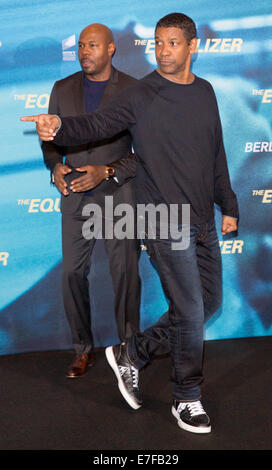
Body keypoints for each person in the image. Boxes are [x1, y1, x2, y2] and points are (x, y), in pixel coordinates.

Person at [21, 13, 238, 433]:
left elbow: (216, 152)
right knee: (190, 311)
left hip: (202, 221)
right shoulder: (142, 93)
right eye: (158, 42)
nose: (163, 49)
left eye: (173, 42)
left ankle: (132, 351)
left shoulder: (206, 92)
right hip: (162, 218)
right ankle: (187, 397)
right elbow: (97, 124)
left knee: (209, 304)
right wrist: (60, 126)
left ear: (193, 46)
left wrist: (227, 205)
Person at [40, 23, 141, 378]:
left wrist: (108, 170)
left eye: (93, 45)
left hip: (118, 196)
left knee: (126, 273)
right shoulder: (62, 88)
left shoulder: (132, 89)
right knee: (71, 274)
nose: (85, 51)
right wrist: (54, 166)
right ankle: (82, 349)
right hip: (75, 198)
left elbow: (143, 153)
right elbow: (50, 141)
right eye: (81, 45)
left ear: (110, 49)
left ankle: (129, 350)